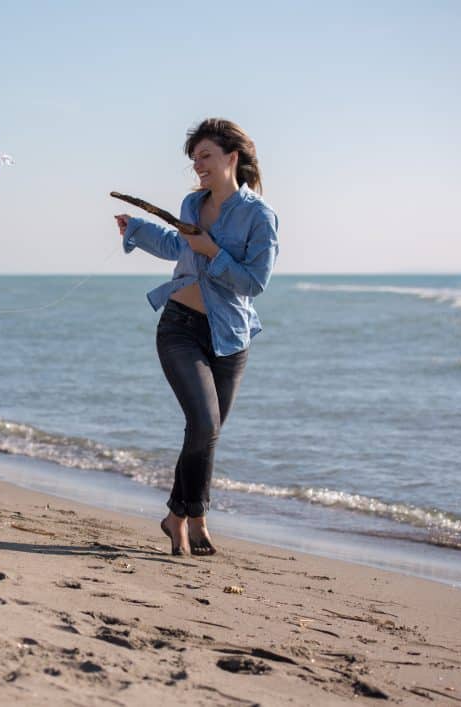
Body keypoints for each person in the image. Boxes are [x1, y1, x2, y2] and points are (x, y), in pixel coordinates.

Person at [114, 118, 278, 556]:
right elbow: (178, 246)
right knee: (204, 424)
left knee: (203, 432)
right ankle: (197, 515)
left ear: (232, 157)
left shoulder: (260, 216)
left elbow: (255, 282)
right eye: (194, 159)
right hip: (179, 327)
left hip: (229, 338)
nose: (198, 165)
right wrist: (137, 230)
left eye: (205, 156)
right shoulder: (191, 204)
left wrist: (213, 251)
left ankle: (175, 517)